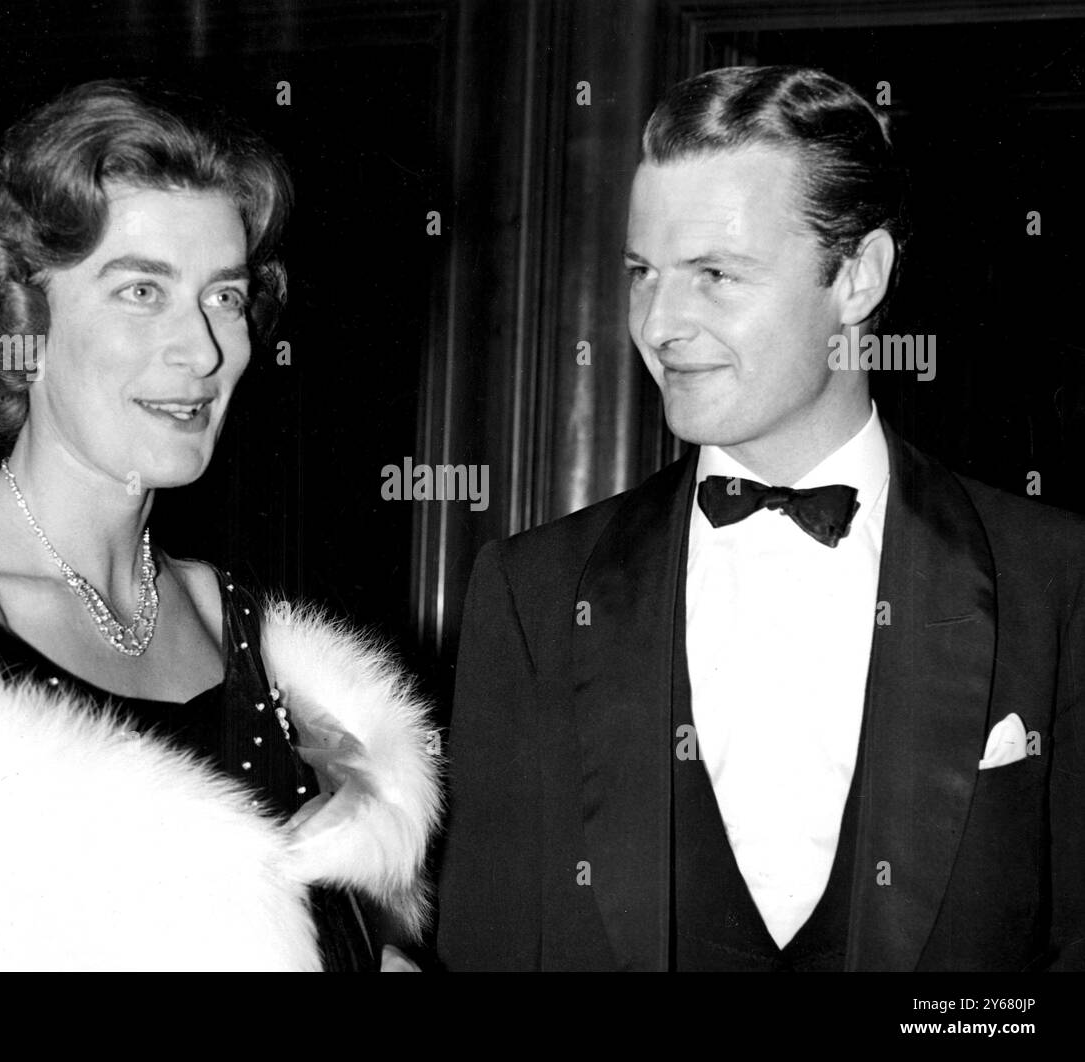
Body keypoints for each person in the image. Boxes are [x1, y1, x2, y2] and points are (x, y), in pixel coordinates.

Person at [437, 65, 1085, 971]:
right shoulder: (531, 594)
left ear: (858, 278)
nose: (659, 323)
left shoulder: (1053, 577)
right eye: (642, 273)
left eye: (715, 274)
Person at [0, 80, 439, 972]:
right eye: (141, 291)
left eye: (224, 297)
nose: (202, 351)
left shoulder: (233, 616)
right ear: (23, 315)